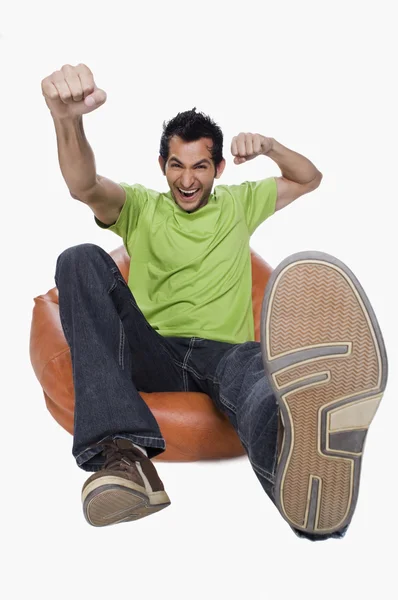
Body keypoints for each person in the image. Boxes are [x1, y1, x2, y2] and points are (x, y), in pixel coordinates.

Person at [41, 63, 388, 540]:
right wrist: (67, 120)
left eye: (200, 166)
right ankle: (126, 460)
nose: (187, 179)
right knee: (78, 257)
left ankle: (300, 459)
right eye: (177, 165)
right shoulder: (140, 206)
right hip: (154, 351)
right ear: (163, 165)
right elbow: (84, 186)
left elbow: (309, 178)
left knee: (257, 380)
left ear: (218, 168)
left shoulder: (240, 202)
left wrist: (268, 147)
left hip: (225, 353)